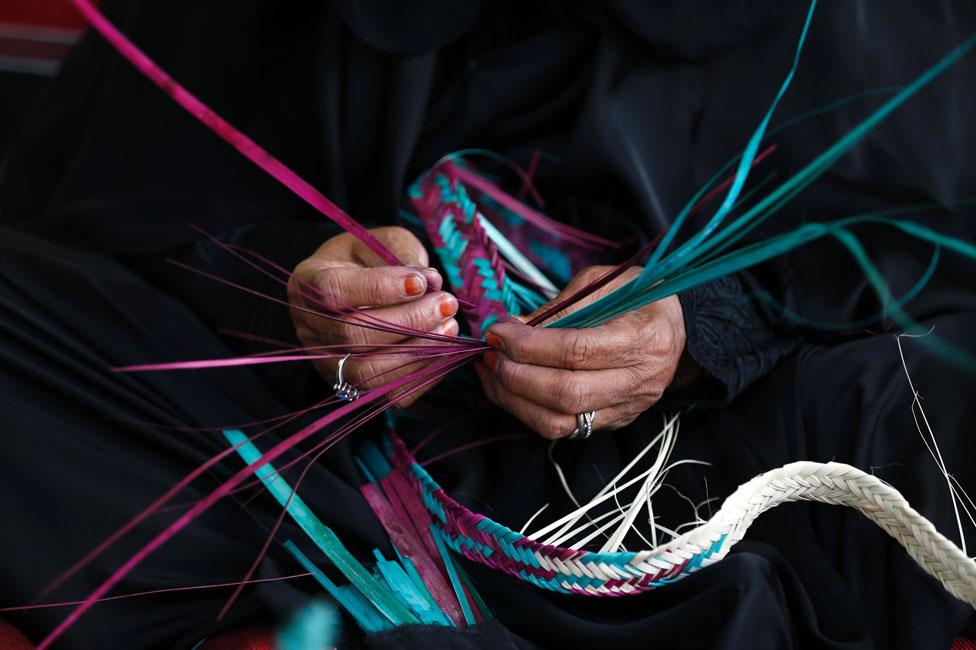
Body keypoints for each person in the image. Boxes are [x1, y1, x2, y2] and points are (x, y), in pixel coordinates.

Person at [1, 1, 974, 648]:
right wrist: (288, 285)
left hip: (729, 465)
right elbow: (120, 190)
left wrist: (702, 322)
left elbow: (914, 227)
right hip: (301, 464)